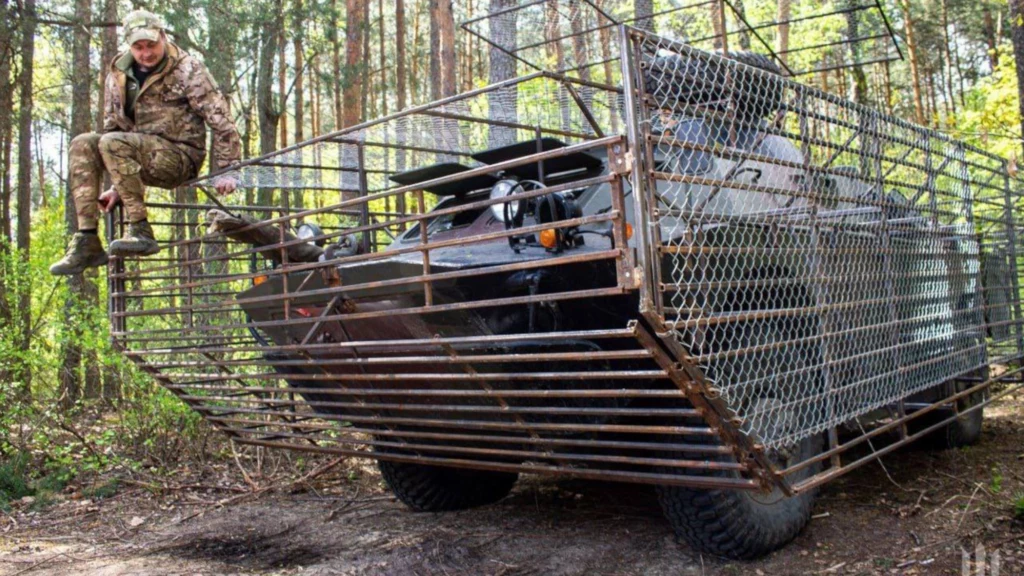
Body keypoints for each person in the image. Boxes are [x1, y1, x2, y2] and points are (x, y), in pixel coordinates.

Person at [50, 9, 241, 275]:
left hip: (180, 157)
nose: (146, 53)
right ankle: (87, 239)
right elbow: (112, 131)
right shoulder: (117, 75)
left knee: (112, 142)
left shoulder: (188, 69)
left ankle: (140, 229)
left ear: (162, 36)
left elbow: (220, 118)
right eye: (138, 47)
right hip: (135, 152)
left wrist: (228, 168)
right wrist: (118, 185)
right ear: (128, 45)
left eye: (151, 44)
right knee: (84, 143)